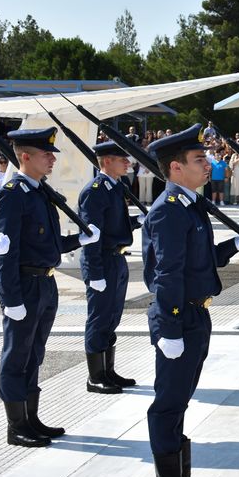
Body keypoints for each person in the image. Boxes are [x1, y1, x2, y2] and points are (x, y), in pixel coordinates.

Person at [143, 124, 239, 477]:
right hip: (179, 317)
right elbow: (167, 274)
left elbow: (199, 261)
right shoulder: (169, 211)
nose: (207, 164)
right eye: (199, 159)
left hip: (196, 315)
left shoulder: (190, 205)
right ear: (176, 168)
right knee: (168, 404)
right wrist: (170, 328)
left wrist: (233, 247)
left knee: (180, 400)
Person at [0, 128, 101, 447]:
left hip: (45, 284)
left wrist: (78, 240)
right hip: (24, 286)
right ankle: (16, 426)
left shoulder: (40, 192)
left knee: (34, 354)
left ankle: (31, 418)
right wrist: (10, 298)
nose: (52, 159)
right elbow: (6, 252)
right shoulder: (11, 195)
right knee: (17, 356)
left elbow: (48, 244)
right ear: (25, 157)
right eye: (46, 154)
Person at [78, 141, 142, 395]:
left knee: (112, 317)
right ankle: (95, 376)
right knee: (99, 318)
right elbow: (91, 235)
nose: (127, 162)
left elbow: (115, 225)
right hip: (102, 261)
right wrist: (94, 273)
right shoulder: (95, 191)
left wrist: (137, 221)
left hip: (116, 259)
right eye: (121, 159)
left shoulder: (115, 187)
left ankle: (108, 370)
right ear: (106, 161)